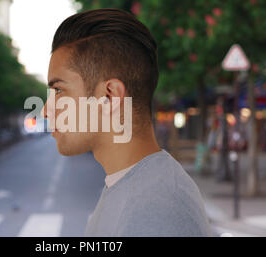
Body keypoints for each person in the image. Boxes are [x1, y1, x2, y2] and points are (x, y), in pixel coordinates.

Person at [41, 9, 213, 236]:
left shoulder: (155, 210)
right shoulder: (131, 184)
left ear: (109, 96)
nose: (45, 110)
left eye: (59, 90)